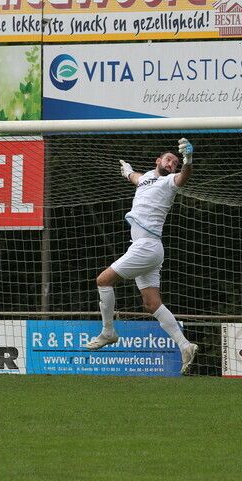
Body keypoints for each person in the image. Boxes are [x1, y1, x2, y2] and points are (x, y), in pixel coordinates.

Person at [83, 138, 199, 375]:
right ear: (158, 161)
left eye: (175, 162)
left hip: (146, 247)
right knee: (151, 304)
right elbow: (136, 178)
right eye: (169, 159)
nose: (172, 164)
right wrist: (127, 172)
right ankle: (185, 346)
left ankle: (108, 332)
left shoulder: (169, 182)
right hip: (149, 249)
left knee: (103, 280)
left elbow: (183, 176)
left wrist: (187, 160)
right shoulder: (146, 177)